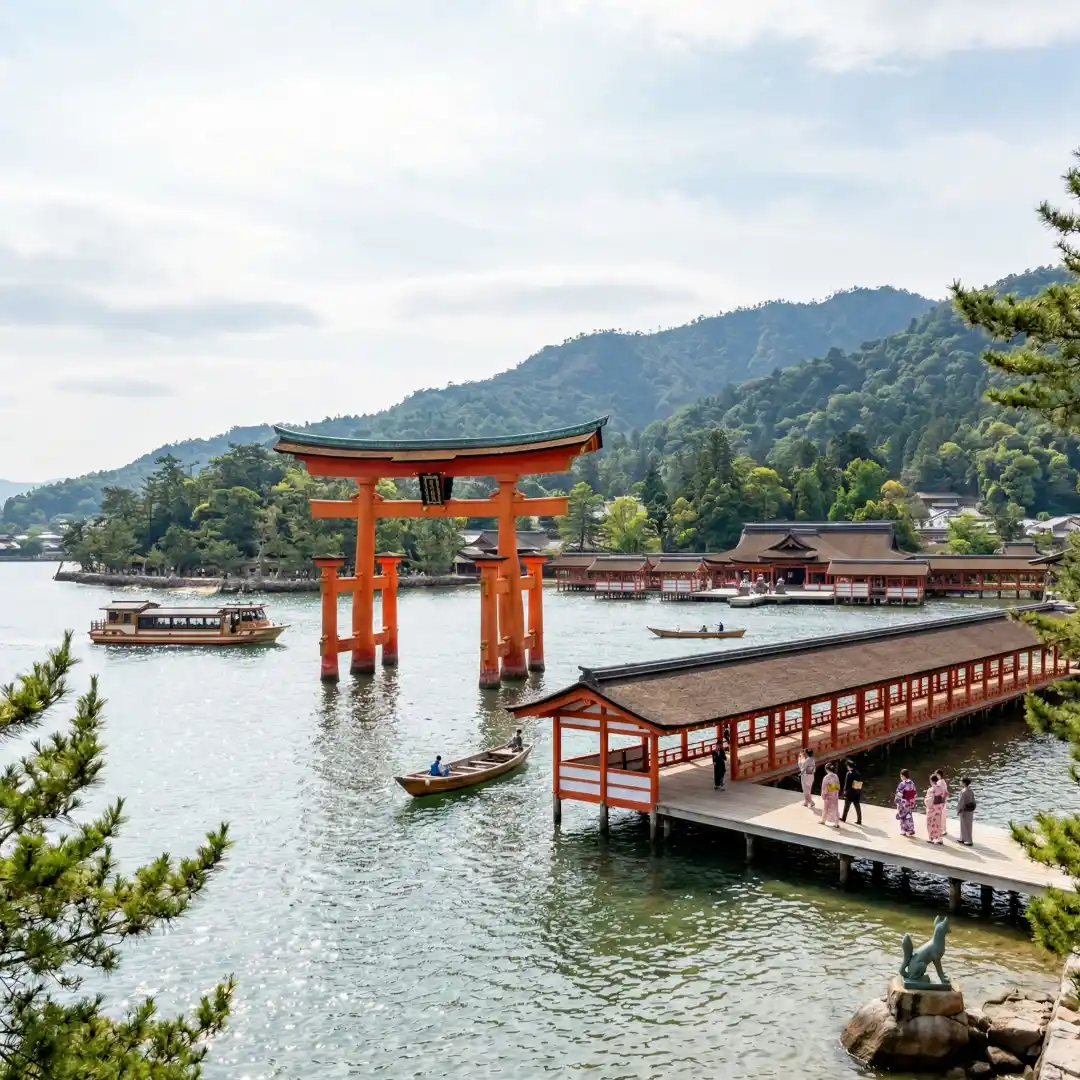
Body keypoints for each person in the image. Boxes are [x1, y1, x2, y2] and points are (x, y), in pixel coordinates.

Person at [924, 771, 946, 844]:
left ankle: (932, 838)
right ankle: (939, 839)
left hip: (932, 809)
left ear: (931, 781)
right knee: (938, 824)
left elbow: (929, 800)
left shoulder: (931, 789)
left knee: (930, 823)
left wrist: (926, 802)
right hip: (939, 808)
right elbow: (944, 797)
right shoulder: (941, 788)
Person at [895, 768, 917, 837]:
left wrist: (897, 801)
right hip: (909, 802)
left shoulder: (902, 784)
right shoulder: (912, 783)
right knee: (909, 816)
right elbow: (914, 793)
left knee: (902, 815)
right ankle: (910, 829)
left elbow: (899, 793)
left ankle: (903, 830)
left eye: (901, 776)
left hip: (903, 802)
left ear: (903, 776)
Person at [841, 758, 863, 825]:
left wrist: (844, 791)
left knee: (846, 806)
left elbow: (846, 784)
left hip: (850, 793)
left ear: (849, 766)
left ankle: (843, 818)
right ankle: (859, 820)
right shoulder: (858, 773)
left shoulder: (849, 774)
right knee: (857, 806)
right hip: (857, 792)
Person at [820, 762, 841, 828]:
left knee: (826, 808)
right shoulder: (836, 776)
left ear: (826, 769)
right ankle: (836, 823)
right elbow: (838, 786)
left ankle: (823, 820)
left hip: (828, 796)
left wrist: (823, 795)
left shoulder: (826, 777)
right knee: (835, 809)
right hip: (835, 795)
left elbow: (824, 788)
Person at [956, 777, 976, 846]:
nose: (959, 782)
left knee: (964, 825)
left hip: (964, 811)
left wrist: (958, 810)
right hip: (970, 810)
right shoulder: (970, 790)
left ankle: (967, 840)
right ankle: (963, 838)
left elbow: (961, 803)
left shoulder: (963, 792)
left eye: (960, 781)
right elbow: (974, 801)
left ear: (964, 783)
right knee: (968, 825)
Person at [937, 768, 950, 837]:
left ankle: (941, 829)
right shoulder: (943, 781)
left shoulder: (939, 782)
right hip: (944, 800)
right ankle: (944, 829)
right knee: (943, 815)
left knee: (940, 815)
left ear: (939, 775)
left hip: (941, 801)